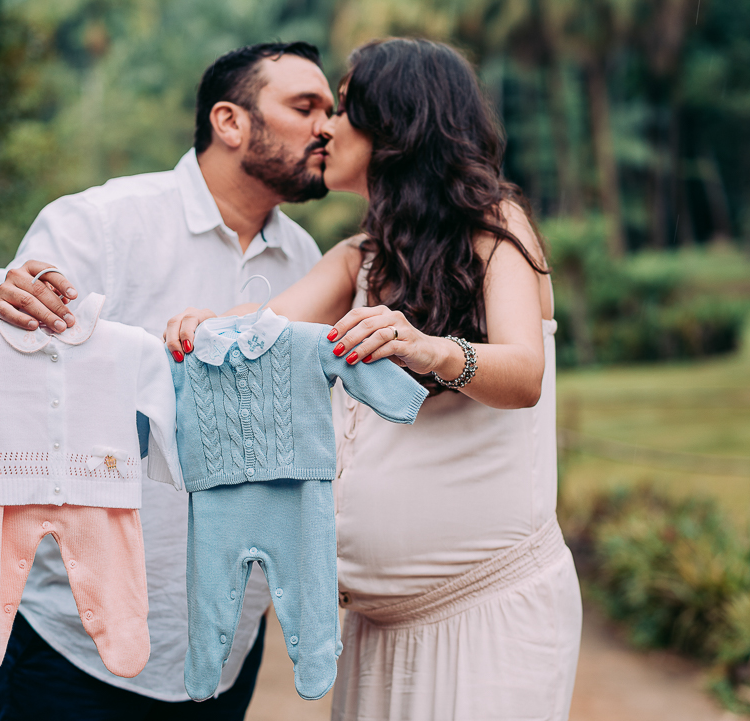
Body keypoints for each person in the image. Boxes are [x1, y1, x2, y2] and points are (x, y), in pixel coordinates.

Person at [167, 38, 582, 720]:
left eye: (344, 108)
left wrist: (433, 350)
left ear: (398, 126)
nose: (324, 126)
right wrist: (204, 326)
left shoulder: (497, 229)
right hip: (374, 629)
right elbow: (266, 325)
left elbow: (524, 372)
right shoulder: (357, 258)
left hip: (488, 614)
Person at [0, 42, 334, 720]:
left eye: (333, 111)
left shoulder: (309, 260)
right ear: (229, 122)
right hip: (72, 642)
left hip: (225, 644)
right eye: (306, 107)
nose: (328, 126)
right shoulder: (105, 221)